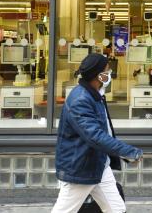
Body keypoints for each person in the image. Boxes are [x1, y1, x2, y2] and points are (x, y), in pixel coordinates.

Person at [52, 53, 142, 213]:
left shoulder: (94, 95)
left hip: (98, 164)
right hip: (81, 167)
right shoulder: (81, 99)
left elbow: (102, 132)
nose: (110, 75)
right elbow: (95, 136)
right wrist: (129, 152)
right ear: (99, 76)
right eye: (107, 71)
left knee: (117, 209)